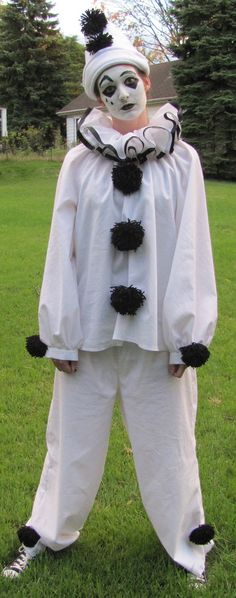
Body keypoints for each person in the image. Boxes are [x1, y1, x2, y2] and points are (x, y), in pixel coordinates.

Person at [3, 9, 217, 586]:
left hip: (158, 339)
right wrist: (60, 332)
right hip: (89, 335)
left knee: (170, 447)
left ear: (147, 83)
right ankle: (46, 533)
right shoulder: (78, 163)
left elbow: (192, 249)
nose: (121, 94)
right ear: (95, 99)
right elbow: (61, 250)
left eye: (129, 81)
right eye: (107, 87)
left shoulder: (183, 160)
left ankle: (187, 544)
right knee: (69, 444)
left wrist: (186, 334)